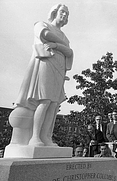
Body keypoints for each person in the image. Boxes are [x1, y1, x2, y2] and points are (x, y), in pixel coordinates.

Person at [9, 4, 73, 146]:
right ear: (55, 12)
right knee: (44, 100)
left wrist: (56, 46)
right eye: (63, 12)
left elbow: (69, 52)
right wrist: (62, 45)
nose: (64, 16)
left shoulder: (64, 36)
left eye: (67, 14)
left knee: (54, 104)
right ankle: (35, 137)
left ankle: (46, 137)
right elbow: (44, 34)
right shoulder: (42, 24)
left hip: (59, 69)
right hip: (46, 64)